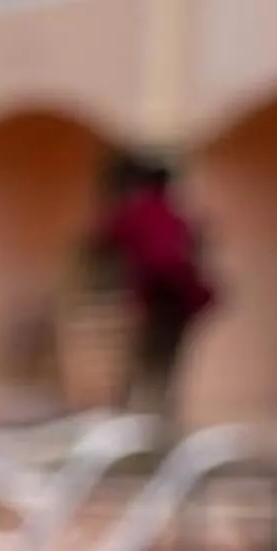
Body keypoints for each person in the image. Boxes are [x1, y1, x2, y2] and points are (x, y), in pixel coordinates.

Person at [92, 157, 215, 417]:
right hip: (182, 300)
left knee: (139, 363)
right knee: (166, 364)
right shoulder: (176, 216)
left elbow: (104, 240)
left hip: (157, 299)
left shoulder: (136, 213)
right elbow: (194, 246)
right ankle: (158, 416)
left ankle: (132, 418)